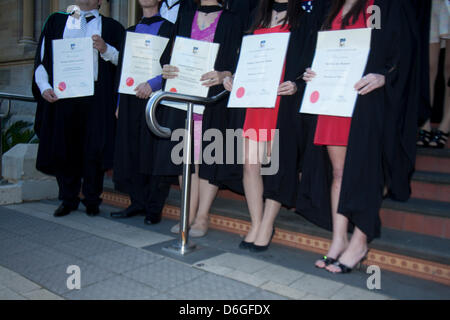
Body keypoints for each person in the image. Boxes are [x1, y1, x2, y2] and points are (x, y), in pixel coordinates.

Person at [298, 0, 417, 273]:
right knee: (339, 173)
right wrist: (311, 71)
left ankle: (360, 241)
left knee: (365, 172)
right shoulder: (332, 6)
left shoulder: (383, 6)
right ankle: (338, 240)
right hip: (332, 100)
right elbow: (323, 48)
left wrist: (385, 77)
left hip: (365, 100)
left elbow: (402, 52)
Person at [222, 0, 321, 252]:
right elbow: (241, 57)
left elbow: (312, 63)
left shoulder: (304, 18)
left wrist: (298, 84)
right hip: (254, 100)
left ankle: (267, 224)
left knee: (278, 166)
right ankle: (256, 222)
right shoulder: (256, 15)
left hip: (282, 102)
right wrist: (231, 77)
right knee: (250, 164)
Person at [155, 0, 243, 237]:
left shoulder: (233, 18)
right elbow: (167, 57)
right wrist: (167, 68)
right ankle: (188, 212)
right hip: (183, 98)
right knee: (186, 157)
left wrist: (225, 74)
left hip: (213, 100)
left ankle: (202, 216)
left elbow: (240, 62)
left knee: (209, 157)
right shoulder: (184, 15)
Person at [32, 0, 125, 217]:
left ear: (101, 1)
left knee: (95, 149)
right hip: (63, 97)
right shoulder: (56, 22)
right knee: (65, 148)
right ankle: (68, 198)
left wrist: (106, 49)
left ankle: (92, 199)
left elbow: (125, 62)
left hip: (97, 97)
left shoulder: (112, 28)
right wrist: (45, 87)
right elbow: (41, 60)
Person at [110, 0, 174, 225]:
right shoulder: (129, 32)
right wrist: (119, 102)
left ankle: (154, 207)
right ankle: (137, 202)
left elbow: (172, 66)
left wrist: (153, 84)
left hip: (155, 98)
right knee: (131, 149)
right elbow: (122, 69)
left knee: (154, 150)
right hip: (129, 97)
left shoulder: (170, 28)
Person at [417, 0, 450, 149]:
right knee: (427, 66)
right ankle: (425, 124)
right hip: (429, 5)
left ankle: (445, 125)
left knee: (449, 67)